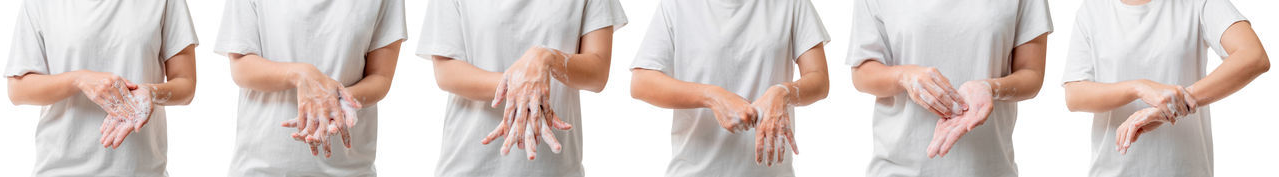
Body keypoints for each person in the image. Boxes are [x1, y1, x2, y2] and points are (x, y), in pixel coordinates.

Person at [418, 0, 626, 176]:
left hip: (555, 167)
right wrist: (520, 84)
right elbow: (446, 72)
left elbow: (597, 72)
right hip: (472, 163)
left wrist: (548, 57)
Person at [1061, 0, 1269, 176]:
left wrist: (1174, 106)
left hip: (1185, 169)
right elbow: (1075, 94)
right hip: (1113, 169)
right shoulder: (1092, 11)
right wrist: (1139, 87)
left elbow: (1253, 56)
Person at [847, 0, 1052, 176]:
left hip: (989, 168)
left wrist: (991, 87)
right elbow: (862, 72)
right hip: (900, 168)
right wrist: (904, 76)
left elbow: (1031, 73)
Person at [629, 0, 830, 176]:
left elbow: (819, 79)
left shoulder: (792, 3)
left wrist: (783, 92)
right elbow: (642, 81)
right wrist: (711, 96)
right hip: (695, 172)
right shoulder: (676, 4)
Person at [4, 0, 198, 176]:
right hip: (61, 169)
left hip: (141, 170)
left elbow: (186, 83)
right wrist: (78, 80)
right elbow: (18, 89)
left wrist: (151, 93)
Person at [213, 0, 405, 176]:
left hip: (348, 168)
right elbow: (241, 66)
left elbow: (380, 76)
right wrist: (301, 74)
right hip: (262, 166)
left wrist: (336, 102)